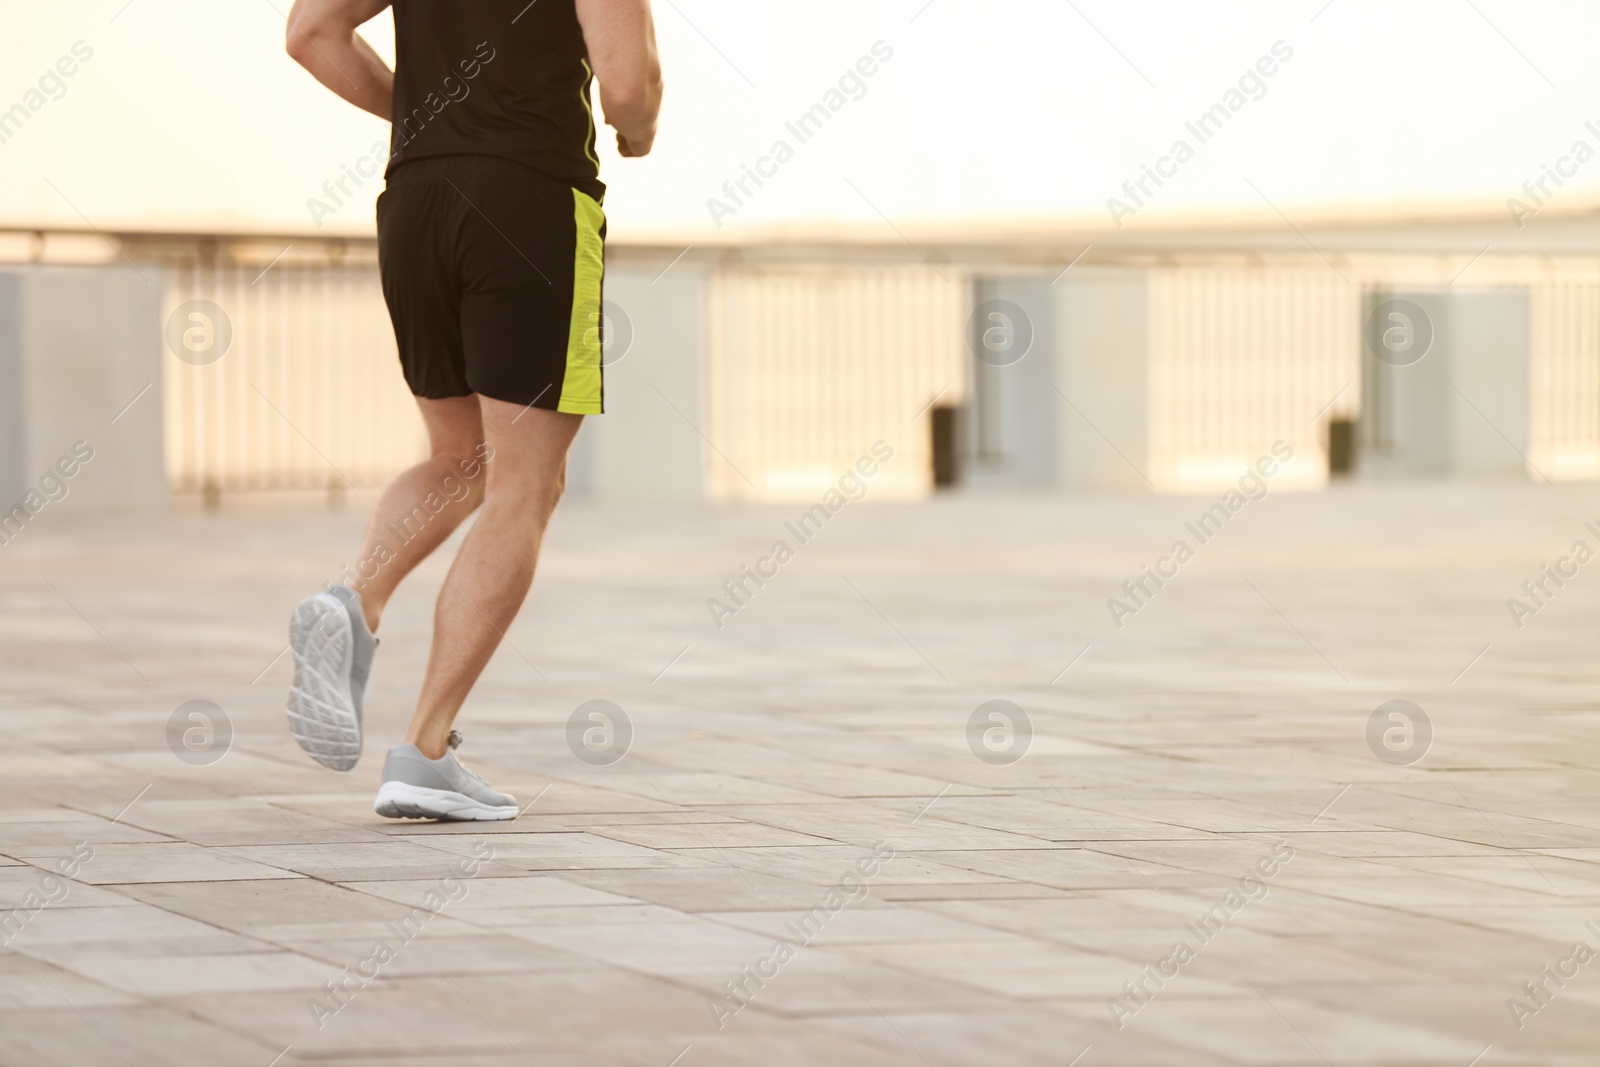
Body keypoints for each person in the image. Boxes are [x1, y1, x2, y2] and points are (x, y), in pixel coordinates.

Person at [280, 0, 662, 820]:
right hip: (528, 199)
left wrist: (430, 108)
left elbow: (309, 33)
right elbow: (628, 85)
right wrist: (637, 134)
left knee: (463, 455)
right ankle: (423, 751)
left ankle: (352, 602)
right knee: (528, 483)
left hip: (415, 198)